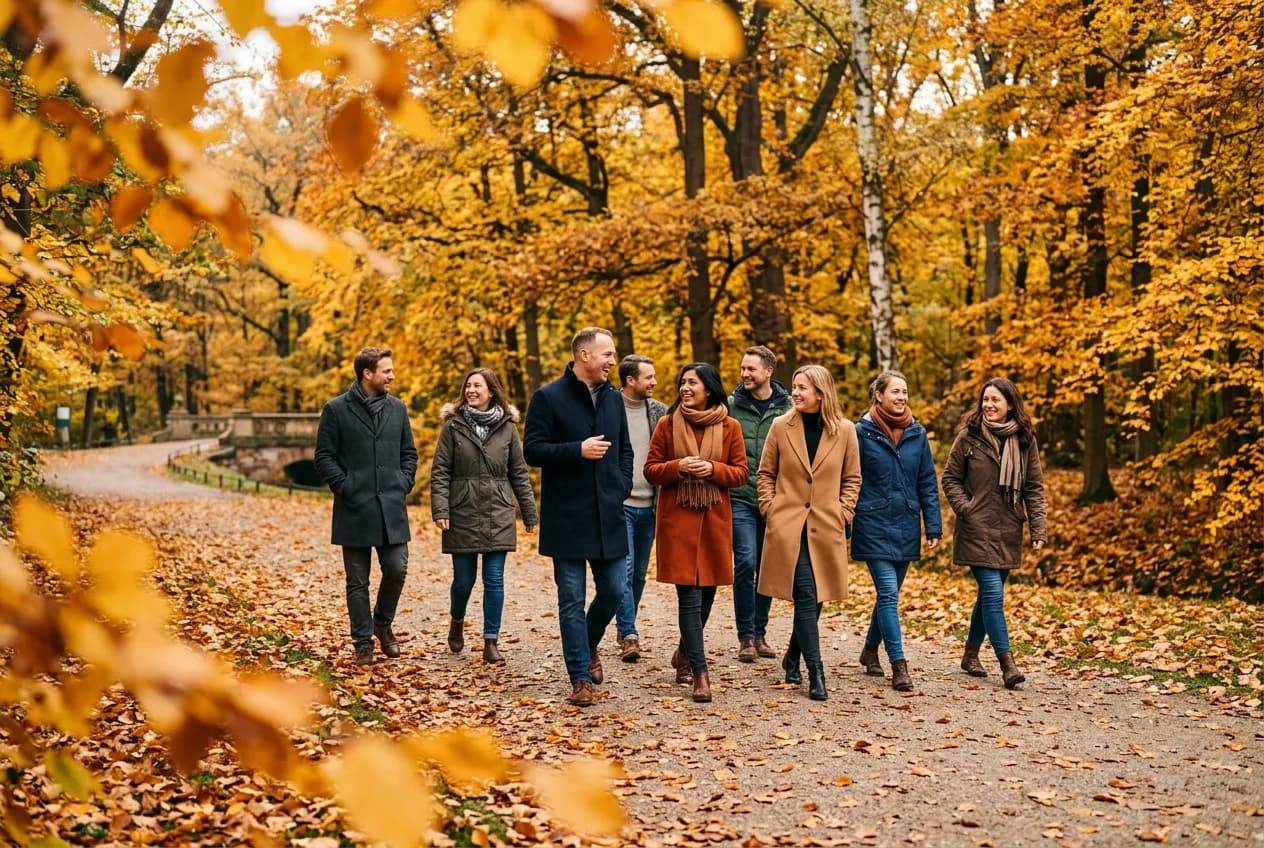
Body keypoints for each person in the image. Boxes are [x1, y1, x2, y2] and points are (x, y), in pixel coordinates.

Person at [524, 327, 633, 707]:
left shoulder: (614, 400)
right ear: (584, 355)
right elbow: (532, 451)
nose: (612, 362)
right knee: (571, 599)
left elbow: (625, 451)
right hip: (566, 517)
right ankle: (580, 677)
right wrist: (576, 450)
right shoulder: (548, 397)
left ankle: (587, 644)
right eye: (607, 354)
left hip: (608, 516)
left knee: (615, 590)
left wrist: (619, 487)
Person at [643, 363, 747, 702]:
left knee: (706, 598)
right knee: (688, 597)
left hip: (715, 521)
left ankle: (684, 653)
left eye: (693, 383)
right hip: (678, 521)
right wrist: (679, 467)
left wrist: (713, 469)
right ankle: (700, 673)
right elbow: (651, 471)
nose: (685, 388)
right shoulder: (666, 425)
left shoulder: (730, 426)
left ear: (709, 389)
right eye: (682, 383)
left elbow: (741, 473)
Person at [756, 364, 861, 700]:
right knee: (805, 594)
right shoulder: (780, 426)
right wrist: (770, 508)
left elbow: (852, 478)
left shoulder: (844, 430)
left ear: (821, 392)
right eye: (794, 386)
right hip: (788, 526)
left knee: (814, 601)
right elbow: (765, 474)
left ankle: (791, 656)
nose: (795, 393)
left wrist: (844, 512)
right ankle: (816, 671)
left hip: (826, 525)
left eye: (802, 388)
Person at [940, 377, 1047, 689]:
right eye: (985, 399)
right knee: (993, 595)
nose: (988, 405)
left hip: (1008, 528)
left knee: (988, 598)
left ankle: (970, 654)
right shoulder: (968, 438)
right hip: (976, 527)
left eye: (995, 400)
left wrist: (1038, 527)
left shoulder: (1025, 440)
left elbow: (1034, 487)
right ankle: (1007, 663)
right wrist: (967, 508)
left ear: (1010, 405)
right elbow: (950, 478)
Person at [314, 347, 418, 666]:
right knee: (357, 581)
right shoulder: (335, 410)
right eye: (386, 371)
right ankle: (363, 642)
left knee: (397, 569)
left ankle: (382, 624)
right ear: (367, 374)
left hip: (391, 506)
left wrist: (403, 482)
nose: (392, 376)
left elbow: (409, 454)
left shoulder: (397, 409)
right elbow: (324, 456)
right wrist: (345, 486)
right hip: (354, 508)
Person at [430, 368, 538, 665]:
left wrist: (529, 513)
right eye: (468, 385)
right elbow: (440, 471)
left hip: (497, 511)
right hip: (462, 510)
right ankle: (457, 620)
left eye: (477, 386)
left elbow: (518, 472)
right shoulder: (453, 426)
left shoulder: (507, 428)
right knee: (463, 581)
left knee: (494, 580)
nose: (471, 390)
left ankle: (491, 641)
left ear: (492, 391)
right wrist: (440, 509)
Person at [851, 371, 942, 692]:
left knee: (888, 596)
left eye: (905, 391)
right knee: (888, 593)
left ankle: (869, 650)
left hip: (905, 522)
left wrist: (933, 525)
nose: (902, 397)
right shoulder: (860, 433)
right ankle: (899, 664)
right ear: (878, 396)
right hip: (872, 522)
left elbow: (927, 482)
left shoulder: (917, 433)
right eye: (895, 392)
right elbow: (849, 478)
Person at [727, 345, 792, 662]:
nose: (744, 374)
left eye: (751, 369)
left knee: (768, 567)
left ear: (768, 371)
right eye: (742, 369)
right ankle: (746, 637)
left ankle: (760, 632)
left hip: (776, 500)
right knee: (747, 562)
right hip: (739, 496)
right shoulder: (730, 406)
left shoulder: (789, 408)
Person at [614, 354, 669, 662]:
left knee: (639, 577)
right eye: (649, 377)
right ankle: (630, 633)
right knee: (626, 569)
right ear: (631, 380)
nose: (655, 382)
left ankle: (625, 626)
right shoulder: (608, 407)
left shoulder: (659, 411)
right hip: (620, 503)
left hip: (651, 504)